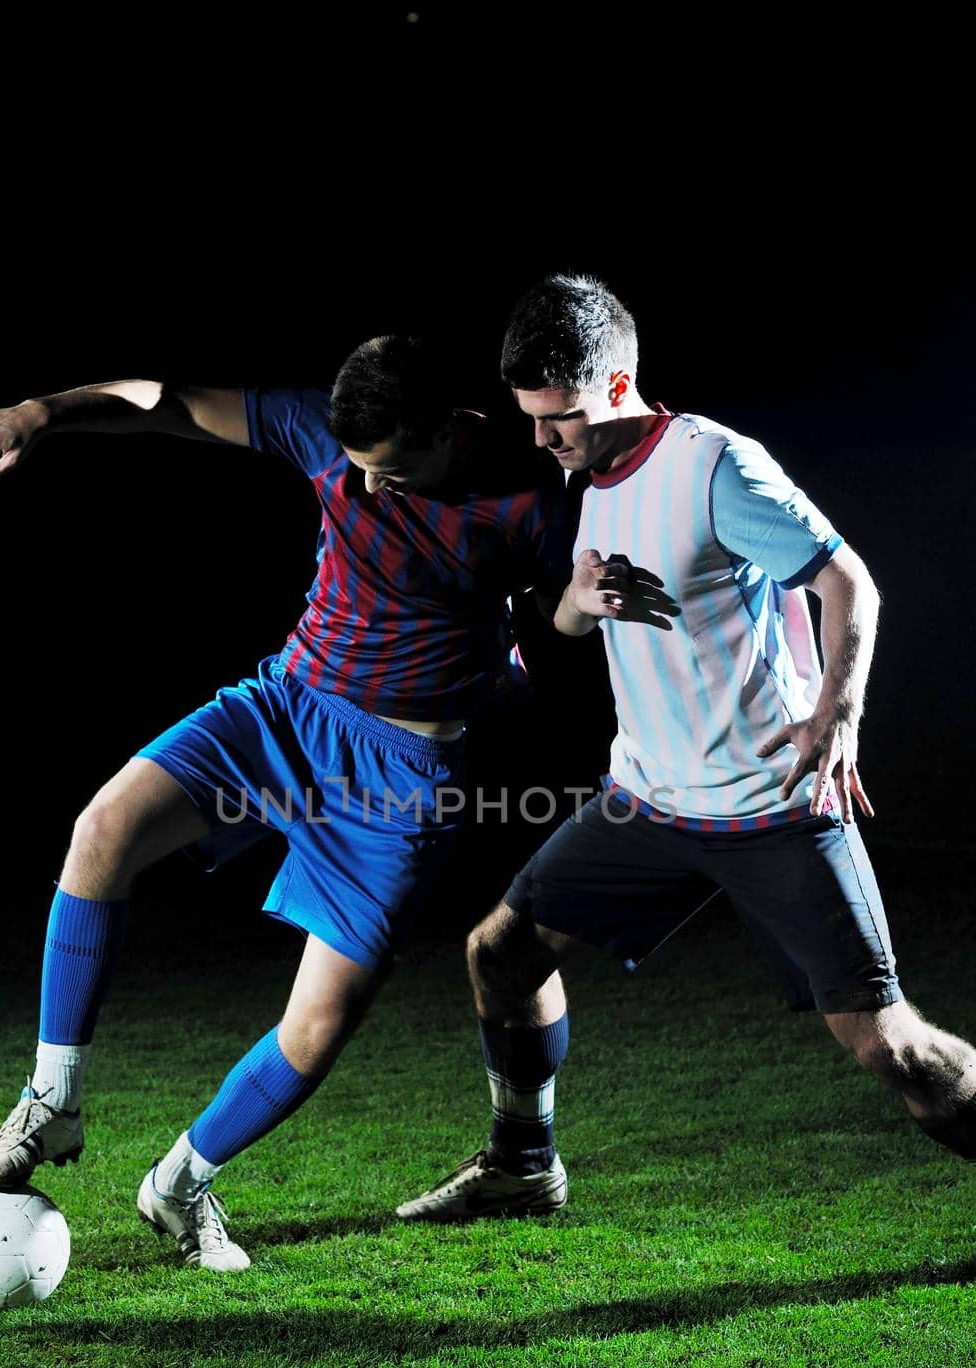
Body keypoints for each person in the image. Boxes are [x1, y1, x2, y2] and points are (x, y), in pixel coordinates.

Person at [0, 336, 566, 1268]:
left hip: (396, 774)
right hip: (285, 708)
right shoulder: (324, 438)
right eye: (355, 473)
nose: (366, 491)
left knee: (318, 1027)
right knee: (102, 831)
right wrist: (42, 410)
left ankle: (181, 1184)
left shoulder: (530, 498)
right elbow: (169, 397)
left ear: (452, 431)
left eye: (390, 473)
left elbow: (586, 609)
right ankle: (53, 1101)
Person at [397, 273, 975, 1222]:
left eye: (562, 419)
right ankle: (522, 1165)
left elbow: (846, 583)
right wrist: (578, 602)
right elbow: (577, 624)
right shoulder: (595, 480)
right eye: (531, 419)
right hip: (648, 803)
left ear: (618, 388)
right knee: (501, 954)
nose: (544, 440)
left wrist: (835, 715)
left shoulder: (715, 466)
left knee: (890, 1046)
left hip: (767, 803)